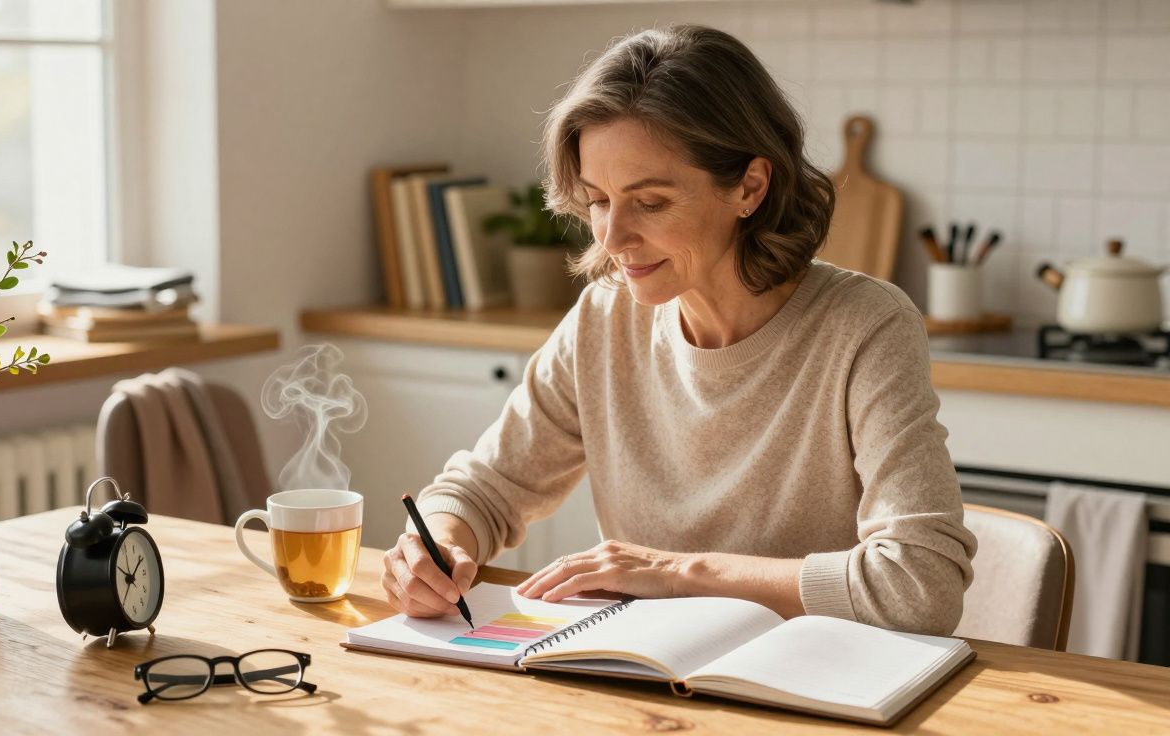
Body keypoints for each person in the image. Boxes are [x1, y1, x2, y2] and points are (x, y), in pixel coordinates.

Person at [380, 24, 975, 635]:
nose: (611, 238)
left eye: (651, 202)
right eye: (598, 199)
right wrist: (437, 543)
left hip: (817, 688)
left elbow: (919, 586)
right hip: (650, 683)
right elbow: (487, 487)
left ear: (749, 186)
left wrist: (679, 575)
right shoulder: (604, 318)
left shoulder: (865, 326)